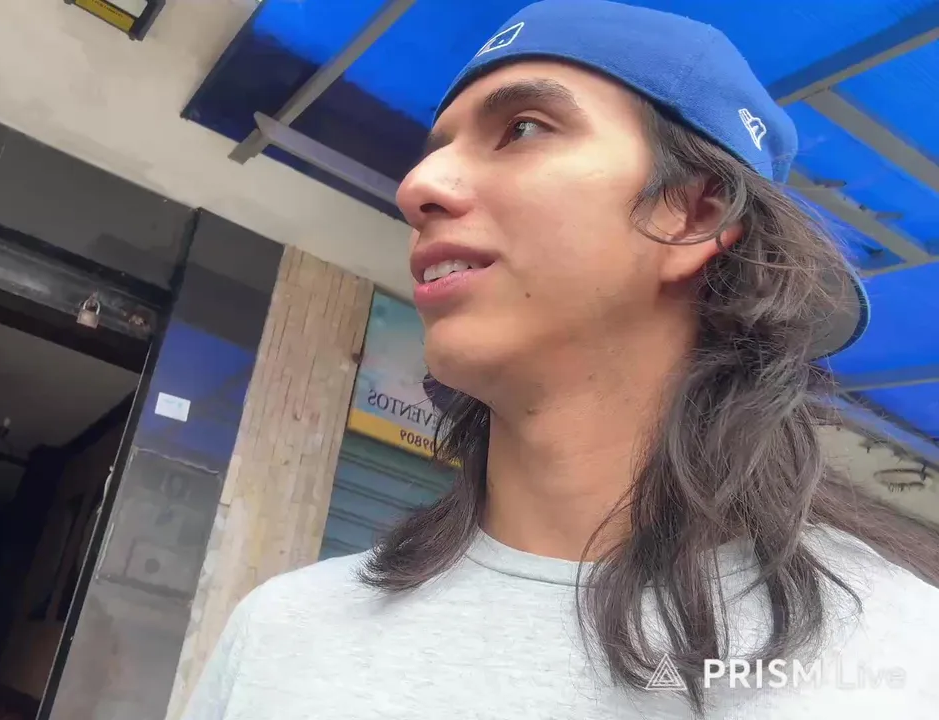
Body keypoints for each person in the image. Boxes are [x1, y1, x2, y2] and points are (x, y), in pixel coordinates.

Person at [180, 1, 939, 718]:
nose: (416, 187)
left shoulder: (903, 659)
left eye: (523, 129)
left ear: (696, 212)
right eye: (436, 150)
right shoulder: (280, 632)